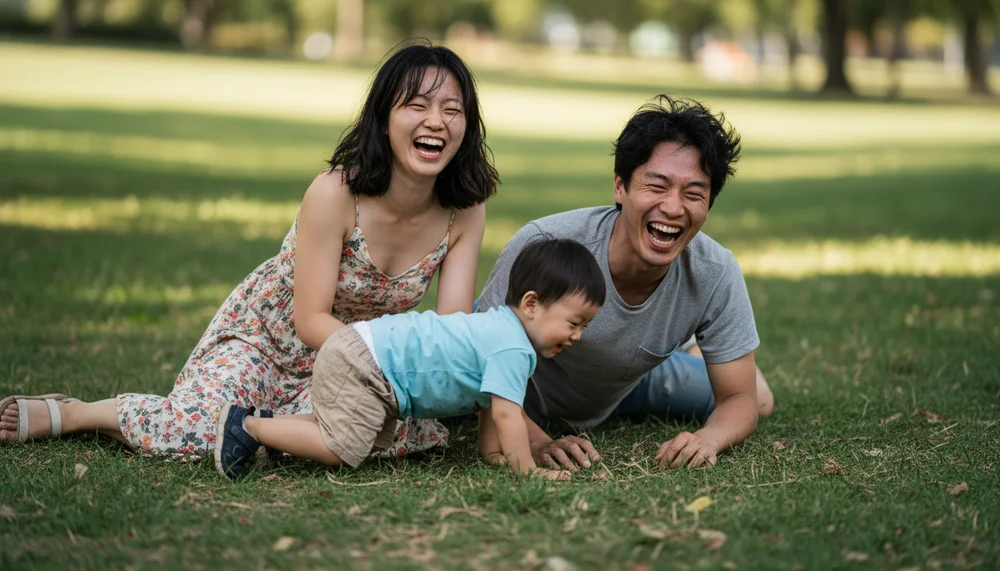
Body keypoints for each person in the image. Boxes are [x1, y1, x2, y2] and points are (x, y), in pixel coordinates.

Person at [0, 43, 497, 458]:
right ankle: (79, 413)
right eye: (417, 105)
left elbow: (450, 332)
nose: (437, 121)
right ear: (384, 117)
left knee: (396, 433)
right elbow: (309, 319)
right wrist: (386, 369)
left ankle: (263, 431)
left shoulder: (464, 211)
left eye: (452, 110)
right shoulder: (335, 193)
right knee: (200, 427)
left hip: (362, 366)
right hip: (269, 342)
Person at [476, 95, 775, 472]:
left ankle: (690, 350)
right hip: (524, 393)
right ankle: (689, 349)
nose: (673, 207)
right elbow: (477, 356)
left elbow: (738, 399)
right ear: (620, 186)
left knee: (761, 398)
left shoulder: (714, 271)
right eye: (657, 186)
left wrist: (706, 439)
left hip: (624, 386)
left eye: (694, 193)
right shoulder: (544, 244)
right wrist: (535, 439)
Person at [214, 238, 604, 481]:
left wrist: (494, 455)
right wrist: (526, 469)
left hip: (366, 350)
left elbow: (490, 405)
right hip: (369, 361)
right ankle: (244, 426)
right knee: (343, 448)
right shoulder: (513, 347)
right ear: (532, 304)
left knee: (365, 438)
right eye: (573, 323)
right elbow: (506, 415)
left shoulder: (500, 329)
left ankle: (274, 430)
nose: (577, 336)